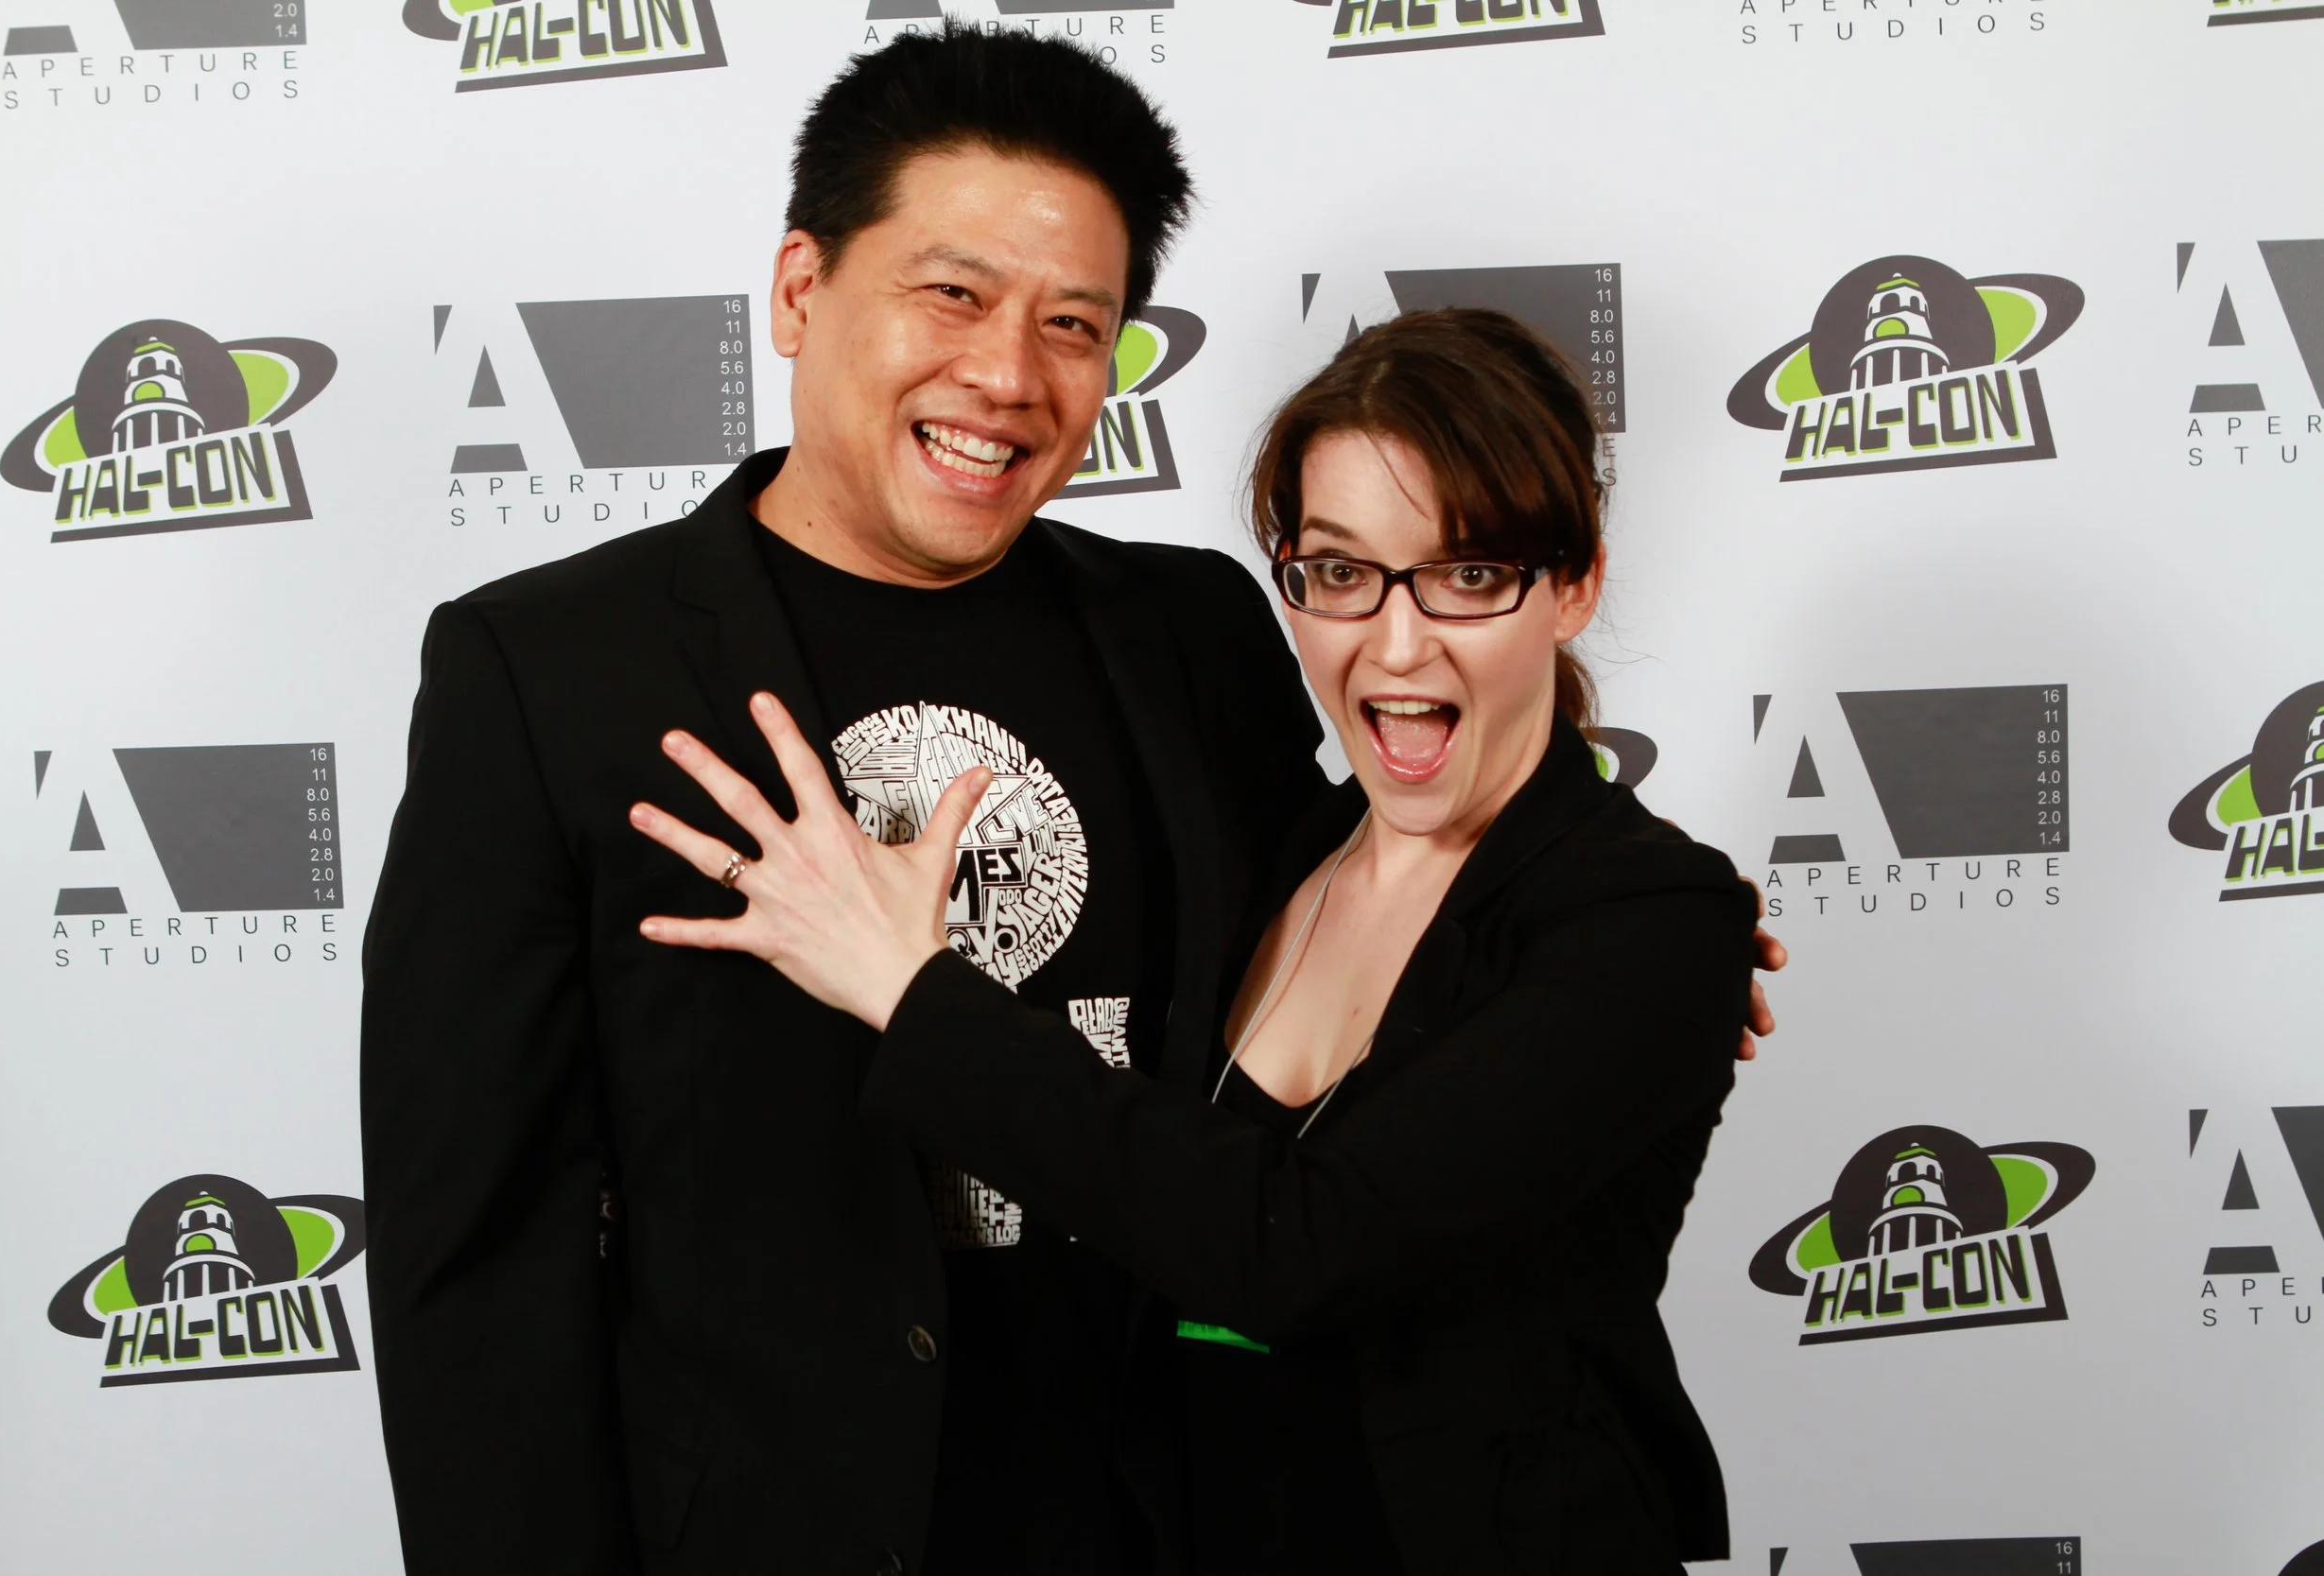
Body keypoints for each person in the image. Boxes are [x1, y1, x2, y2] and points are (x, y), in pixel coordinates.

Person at [360, 26, 1327, 1576]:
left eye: (1074, 324)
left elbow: (1367, 939)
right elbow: (476, 1259)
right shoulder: (551, 672)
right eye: (953, 294)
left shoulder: (1196, 631)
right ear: (802, 289)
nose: (1008, 375)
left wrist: (1614, 909)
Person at [631, 309, 1759, 1574]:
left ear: (1575, 585)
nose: (1396, 642)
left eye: (1469, 575)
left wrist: (910, 986)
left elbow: (1301, 1247)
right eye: (1340, 572)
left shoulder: (1650, 920)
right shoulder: (1272, 850)